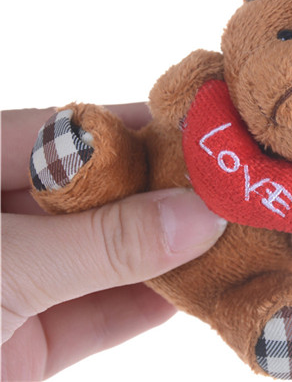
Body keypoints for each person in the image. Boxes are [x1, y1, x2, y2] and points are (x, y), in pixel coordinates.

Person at [1, 104, 227, 380]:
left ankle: (266, 325)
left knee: (246, 304)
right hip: (145, 165)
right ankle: (82, 158)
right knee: (115, 160)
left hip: (225, 271)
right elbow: (172, 95)